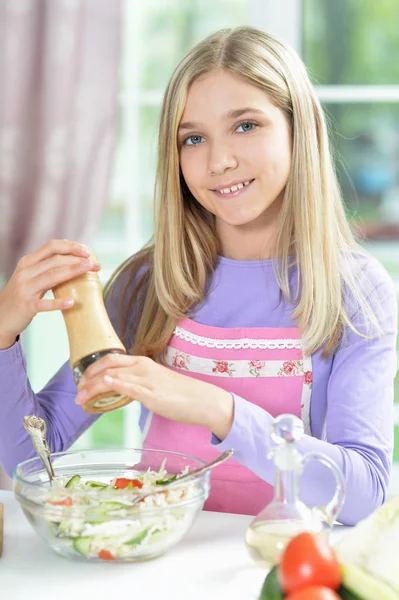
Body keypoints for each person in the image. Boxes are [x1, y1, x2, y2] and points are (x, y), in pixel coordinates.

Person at [0, 27, 397, 526]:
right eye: (193, 138)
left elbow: (362, 495)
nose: (218, 161)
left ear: (299, 130)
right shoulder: (148, 285)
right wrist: (3, 333)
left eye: (246, 125)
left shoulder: (356, 292)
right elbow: (30, 461)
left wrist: (218, 409)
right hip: (155, 565)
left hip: (279, 569)